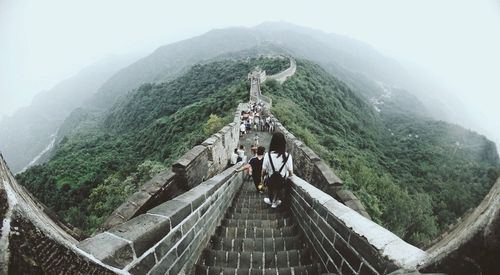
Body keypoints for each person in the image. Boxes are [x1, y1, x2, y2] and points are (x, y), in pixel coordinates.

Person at [262, 132, 293, 208]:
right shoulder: (288, 156)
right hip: (281, 182)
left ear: (272, 142)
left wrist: (262, 178)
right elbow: (291, 173)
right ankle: (275, 202)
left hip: (270, 180)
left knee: (269, 181)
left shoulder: (267, 155)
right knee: (279, 184)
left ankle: (271, 200)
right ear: (283, 143)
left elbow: (263, 171)